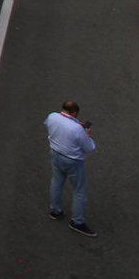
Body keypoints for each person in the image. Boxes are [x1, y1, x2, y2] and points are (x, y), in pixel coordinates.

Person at [44, 101, 96, 237]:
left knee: (57, 181)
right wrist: (88, 135)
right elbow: (90, 147)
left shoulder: (52, 116)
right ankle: (77, 221)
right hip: (72, 161)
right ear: (74, 113)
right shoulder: (77, 129)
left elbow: (52, 126)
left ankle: (55, 210)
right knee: (79, 190)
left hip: (55, 154)